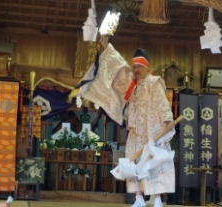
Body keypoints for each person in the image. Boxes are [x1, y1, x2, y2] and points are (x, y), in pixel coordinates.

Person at [69, 36, 176, 207]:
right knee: (133, 164)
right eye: (134, 66)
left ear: (146, 66)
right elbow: (117, 66)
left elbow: (162, 104)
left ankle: (157, 200)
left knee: (154, 164)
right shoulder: (131, 84)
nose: (135, 69)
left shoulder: (154, 83)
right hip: (135, 132)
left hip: (153, 132)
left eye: (138, 66)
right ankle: (139, 198)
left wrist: (168, 119)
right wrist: (105, 48)